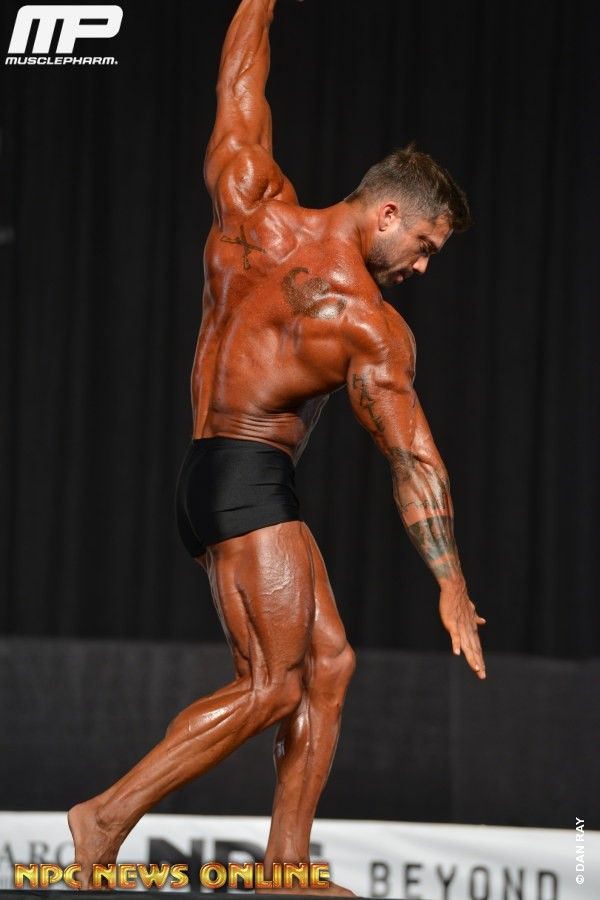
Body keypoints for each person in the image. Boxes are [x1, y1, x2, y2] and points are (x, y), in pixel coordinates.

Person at [68, 0, 487, 892]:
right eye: (424, 245)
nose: (421, 267)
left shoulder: (249, 203)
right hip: (249, 478)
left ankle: (285, 870)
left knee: (329, 666)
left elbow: (238, 86)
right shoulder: (368, 326)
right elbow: (412, 459)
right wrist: (451, 582)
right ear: (386, 213)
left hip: (213, 475)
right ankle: (103, 818)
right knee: (273, 684)